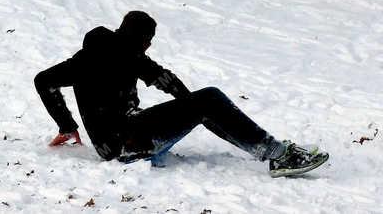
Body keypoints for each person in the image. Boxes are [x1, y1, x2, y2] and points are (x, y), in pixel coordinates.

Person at [33, 10, 328, 178]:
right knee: (209, 99)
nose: (149, 48)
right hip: (126, 145)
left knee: (206, 103)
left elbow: (43, 80)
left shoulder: (97, 56)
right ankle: (277, 156)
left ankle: (269, 149)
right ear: (141, 40)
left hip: (114, 142)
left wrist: (67, 125)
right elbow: (170, 84)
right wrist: (196, 107)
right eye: (149, 41)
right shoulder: (131, 55)